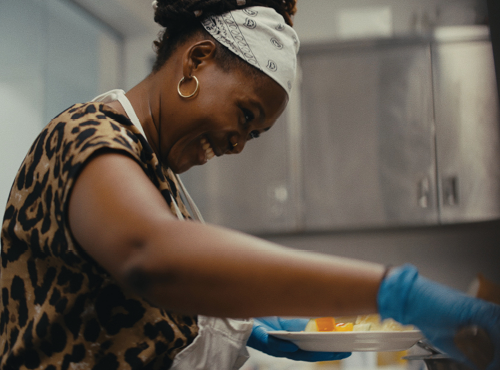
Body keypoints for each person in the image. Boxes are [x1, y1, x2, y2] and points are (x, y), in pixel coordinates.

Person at [0, 0, 499, 369]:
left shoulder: (153, 174)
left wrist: (239, 325)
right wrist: (395, 292)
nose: (239, 144)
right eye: (245, 114)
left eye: (254, 133)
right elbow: (151, 257)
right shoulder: (87, 134)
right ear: (196, 61)